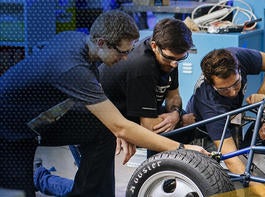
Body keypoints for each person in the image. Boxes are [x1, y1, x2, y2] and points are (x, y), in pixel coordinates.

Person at [0, 10, 207, 197]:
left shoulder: (78, 41)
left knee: (103, 130)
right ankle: (37, 177)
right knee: (19, 192)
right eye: (122, 52)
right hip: (10, 129)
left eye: (129, 51)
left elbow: (115, 124)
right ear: (101, 43)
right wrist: (182, 147)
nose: (125, 58)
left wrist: (119, 129)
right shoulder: (73, 69)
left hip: (41, 117)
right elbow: (121, 126)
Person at [182, 47, 265, 196]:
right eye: (224, 90)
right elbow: (231, 159)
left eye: (236, 83)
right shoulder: (209, 103)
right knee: (229, 181)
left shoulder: (235, 57)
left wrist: (262, 94)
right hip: (203, 134)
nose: (233, 92)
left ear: (239, 69)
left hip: (229, 119)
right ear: (212, 85)